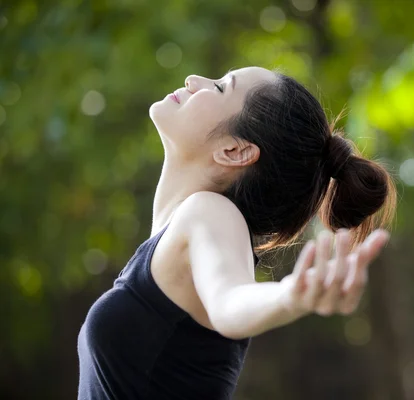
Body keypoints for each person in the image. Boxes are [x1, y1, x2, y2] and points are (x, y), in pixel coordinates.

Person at [77, 66, 397, 399]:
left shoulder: (210, 213)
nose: (193, 80)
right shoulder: (180, 230)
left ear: (235, 150)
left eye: (218, 88)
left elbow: (230, 300)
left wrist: (289, 296)